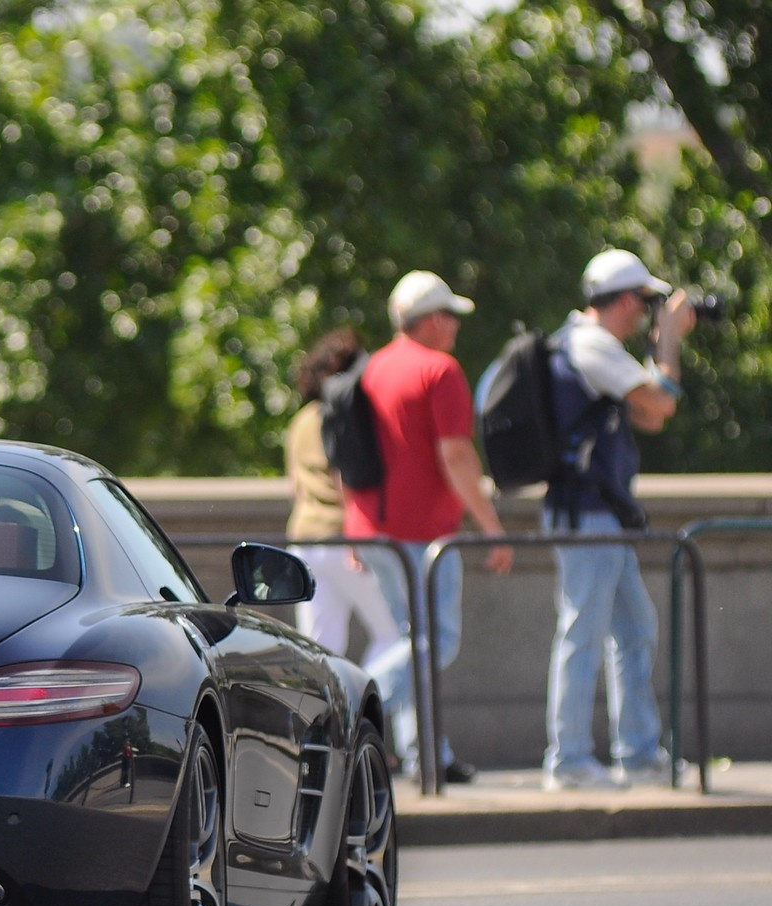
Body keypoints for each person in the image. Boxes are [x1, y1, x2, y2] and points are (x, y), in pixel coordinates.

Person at [344, 271, 513, 784]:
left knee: (411, 639)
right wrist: (491, 527)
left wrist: (357, 527)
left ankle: (425, 754)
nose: (456, 328)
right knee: (436, 639)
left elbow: (349, 454)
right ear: (435, 320)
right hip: (422, 534)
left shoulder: (368, 369)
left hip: (371, 528)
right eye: (453, 318)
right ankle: (350, 709)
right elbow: (457, 456)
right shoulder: (440, 370)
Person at [541, 249, 696, 790]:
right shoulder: (592, 344)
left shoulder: (579, 344)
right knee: (582, 633)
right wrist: (670, 339)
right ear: (627, 299)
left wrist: (660, 349)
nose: (647, 314)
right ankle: (569, 761)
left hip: (600, 515)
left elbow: (648, 416)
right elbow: (664, 402)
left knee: (633, 630)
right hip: (587, 516)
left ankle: (636, 752)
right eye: (647, 303)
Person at [284, 327, 401, 668]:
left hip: (303, 539)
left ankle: (327, 719)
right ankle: (364, 708)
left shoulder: (300, 420)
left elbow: (295, 485)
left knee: (321, 650)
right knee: (395, 635)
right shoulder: (342, 417)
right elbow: (344, 477)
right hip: (341, 535)